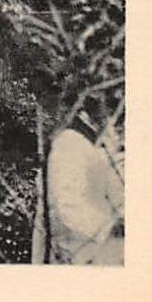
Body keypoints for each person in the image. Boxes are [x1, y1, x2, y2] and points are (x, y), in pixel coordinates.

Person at [45, 96, 124, 265]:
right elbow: (68, 205)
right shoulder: (70, 143)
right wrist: (108, 229)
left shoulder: (97, 147)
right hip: (85, 251)